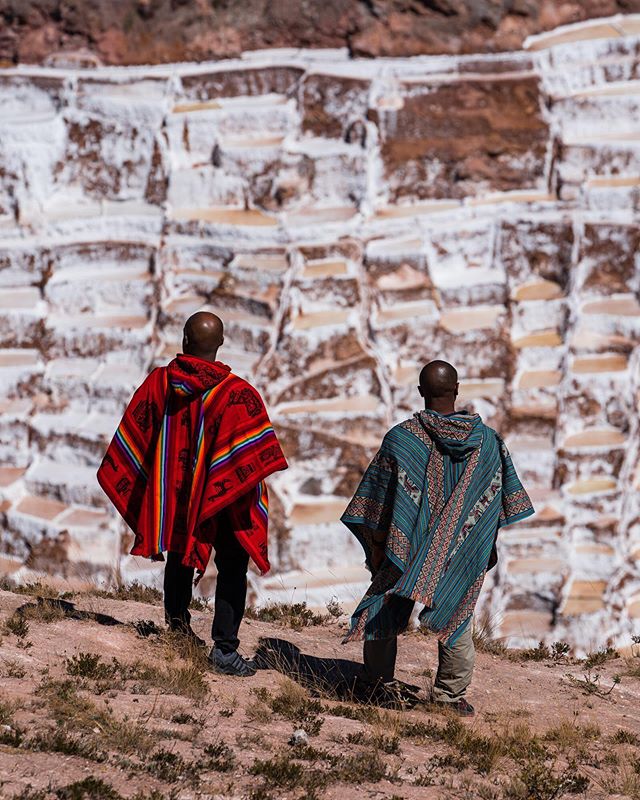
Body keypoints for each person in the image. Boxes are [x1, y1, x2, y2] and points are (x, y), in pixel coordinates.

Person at [97, 311, 288, 676]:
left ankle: (178, 629)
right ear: (220, 344)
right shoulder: (239, 395)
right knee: (232, 565)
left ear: (185, 341)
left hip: (176, 493)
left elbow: (138, 432)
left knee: (181, 551)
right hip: (224, 495)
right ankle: (225, 651)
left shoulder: (158, 383)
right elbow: (253, 453)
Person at [341, 360, 534, 715]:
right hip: (460, 548)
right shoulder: (489, 443)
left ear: (420, 392)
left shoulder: (401, 439)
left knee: (384, 604)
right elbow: (497, 500)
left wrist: (381, 546)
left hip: (406, 544)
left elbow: (379, 500)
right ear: (457, 390)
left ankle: (377, 685)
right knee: (457, 610)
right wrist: (477, 543)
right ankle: (449, 695)